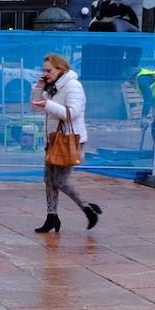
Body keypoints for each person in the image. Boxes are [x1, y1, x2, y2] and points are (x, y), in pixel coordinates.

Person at [33, 53, 101, 233]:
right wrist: (39, 88)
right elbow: (35, 107)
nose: (46, 73)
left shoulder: (73, 86)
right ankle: (51, 217)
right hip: (53, 139)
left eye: (49, 70)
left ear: (60, 69)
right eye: (44, 70)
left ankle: (87, 208)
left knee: (60, 181)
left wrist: (47, 105)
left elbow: (73, 113)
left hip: (69, 140)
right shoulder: (53, 87)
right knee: (48, 179)